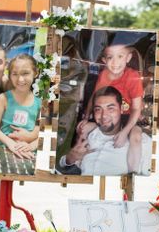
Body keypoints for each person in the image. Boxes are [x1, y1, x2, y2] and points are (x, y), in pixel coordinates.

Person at [77, 44, 144, 173]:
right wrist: (85, 117)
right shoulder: (104, 75)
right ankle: (80, 159)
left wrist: (125, 132)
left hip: (129, 117)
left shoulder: (132, 76)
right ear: (104, 60)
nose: (115, 62)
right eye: (110, 57)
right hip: (111, 117)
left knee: (136, 137)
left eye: (120, 56)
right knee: (83, 128)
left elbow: (136, 109)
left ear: (128, 58)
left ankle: (132, 172)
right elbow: (94, 97)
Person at [62, 86, 151, 176]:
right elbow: (64, 163)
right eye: (98, 109)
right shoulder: (88, 134)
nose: (104, 115)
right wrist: (70, 158)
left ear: (121, 109)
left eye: (111, 108)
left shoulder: (141, 141)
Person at [0, 54, 42, 160]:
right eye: (15, 74)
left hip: (28, 151)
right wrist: (11, 144)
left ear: (35, 73)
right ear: (10, 75)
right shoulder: (3, 98)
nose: (20, 79)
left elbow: (43, 132)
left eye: (25, 73)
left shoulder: (40, 102)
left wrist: (31, 146)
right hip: (5, 148)